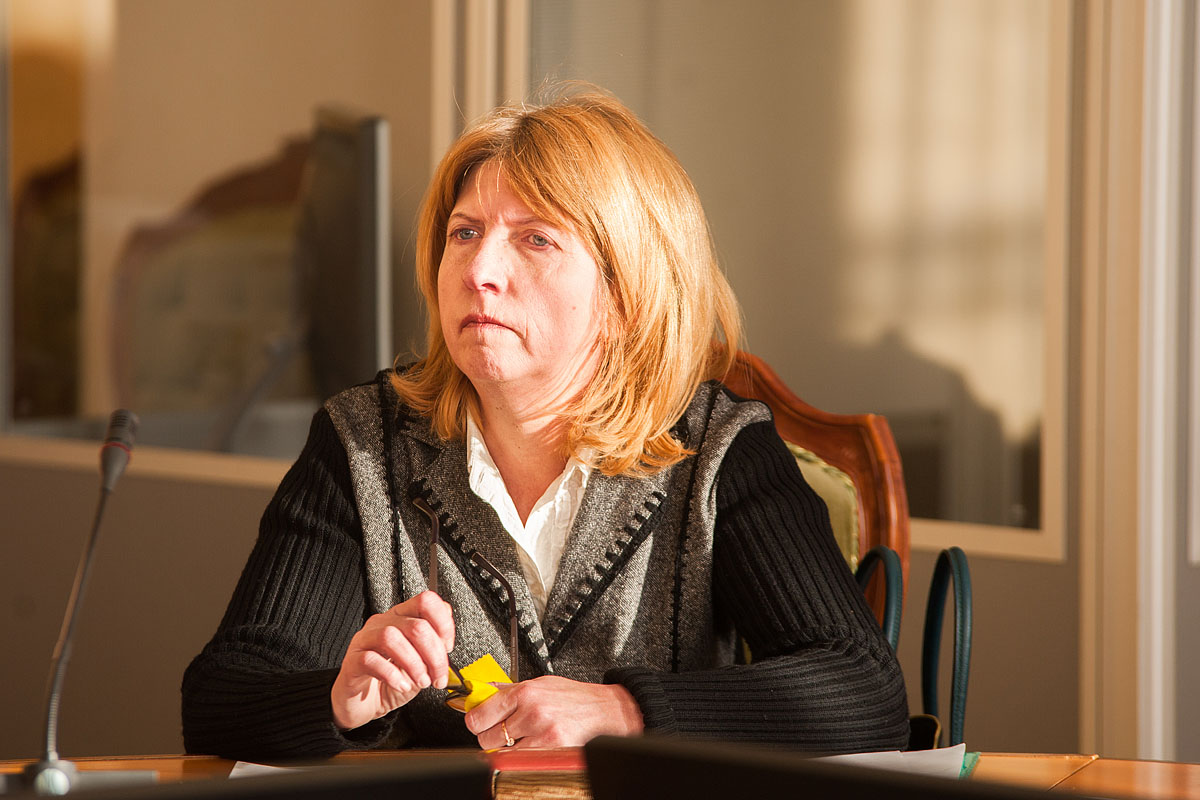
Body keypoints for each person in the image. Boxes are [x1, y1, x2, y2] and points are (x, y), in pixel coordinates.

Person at [181, 87, 909, 760]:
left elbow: (863, 694)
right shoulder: (363, 443)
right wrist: (337, 701)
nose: (479, 271)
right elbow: (220, 698)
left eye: (535, 239)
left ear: (625, 294)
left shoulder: (717, 448)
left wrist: (625, 710)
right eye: (465, 232)